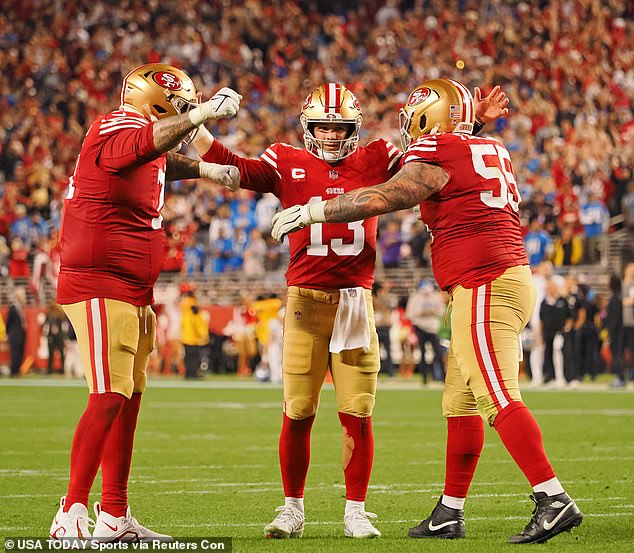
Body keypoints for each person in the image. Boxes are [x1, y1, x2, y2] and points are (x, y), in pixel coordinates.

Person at [271, 78, 583, 544]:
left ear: (427, 120)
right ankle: (449, 512)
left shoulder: (437, 150)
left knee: (496, 396)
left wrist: (315, 212)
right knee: (460, 402)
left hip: (485, 282)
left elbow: (389, 195)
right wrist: (469, 121)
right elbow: (456, 158)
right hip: (492, 280)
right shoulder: (487, 145)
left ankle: (552, 498)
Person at [194, 81, 508, 539]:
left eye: (339, 127)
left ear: (354, 128)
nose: (330, 136)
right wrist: (195, 122)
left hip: (356, 301)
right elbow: (233, 166)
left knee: (357, 412)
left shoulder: (379, 155)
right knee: (297, 410)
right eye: (322, 126)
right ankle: (292, 508)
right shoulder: (286, 160)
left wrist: (469, 124)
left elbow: (435, 164)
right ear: (308, 126)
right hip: (304, 300)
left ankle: (355, 509)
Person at [50, 62, 242, 542]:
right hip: (100, 280)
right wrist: (199, 119)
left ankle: (114, 515)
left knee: (128, 399)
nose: (184, 116)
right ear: (154, 103)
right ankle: (70, 510)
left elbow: (156, 159)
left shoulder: (143, 137)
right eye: (178, 109)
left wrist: (204, 168)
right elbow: (138, 148)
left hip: (131, 285)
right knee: (109, 395)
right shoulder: (121, 124)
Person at [6, 287, 27, 377]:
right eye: (23, 295)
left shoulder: (20, 308)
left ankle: (17, 370)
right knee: (15, 353)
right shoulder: (13, 308)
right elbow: (9, 322)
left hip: (21, 334)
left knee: (20, 352)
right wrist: (8, 334)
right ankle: (14, 371)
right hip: (14, 335)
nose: (24, 297)